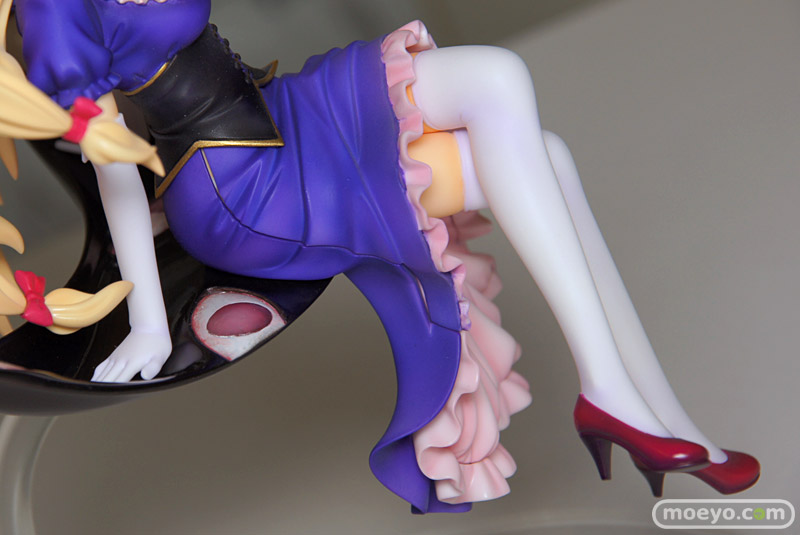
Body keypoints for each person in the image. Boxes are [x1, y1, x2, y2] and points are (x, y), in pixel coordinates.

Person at [1, 0, 758, 513]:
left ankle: (650, 408)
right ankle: (624, 402)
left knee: (525, 117)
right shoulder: (54, 12)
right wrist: (147, 322)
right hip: (233, 188)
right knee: (535, 144)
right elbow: (113, 167)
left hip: (283, 114)